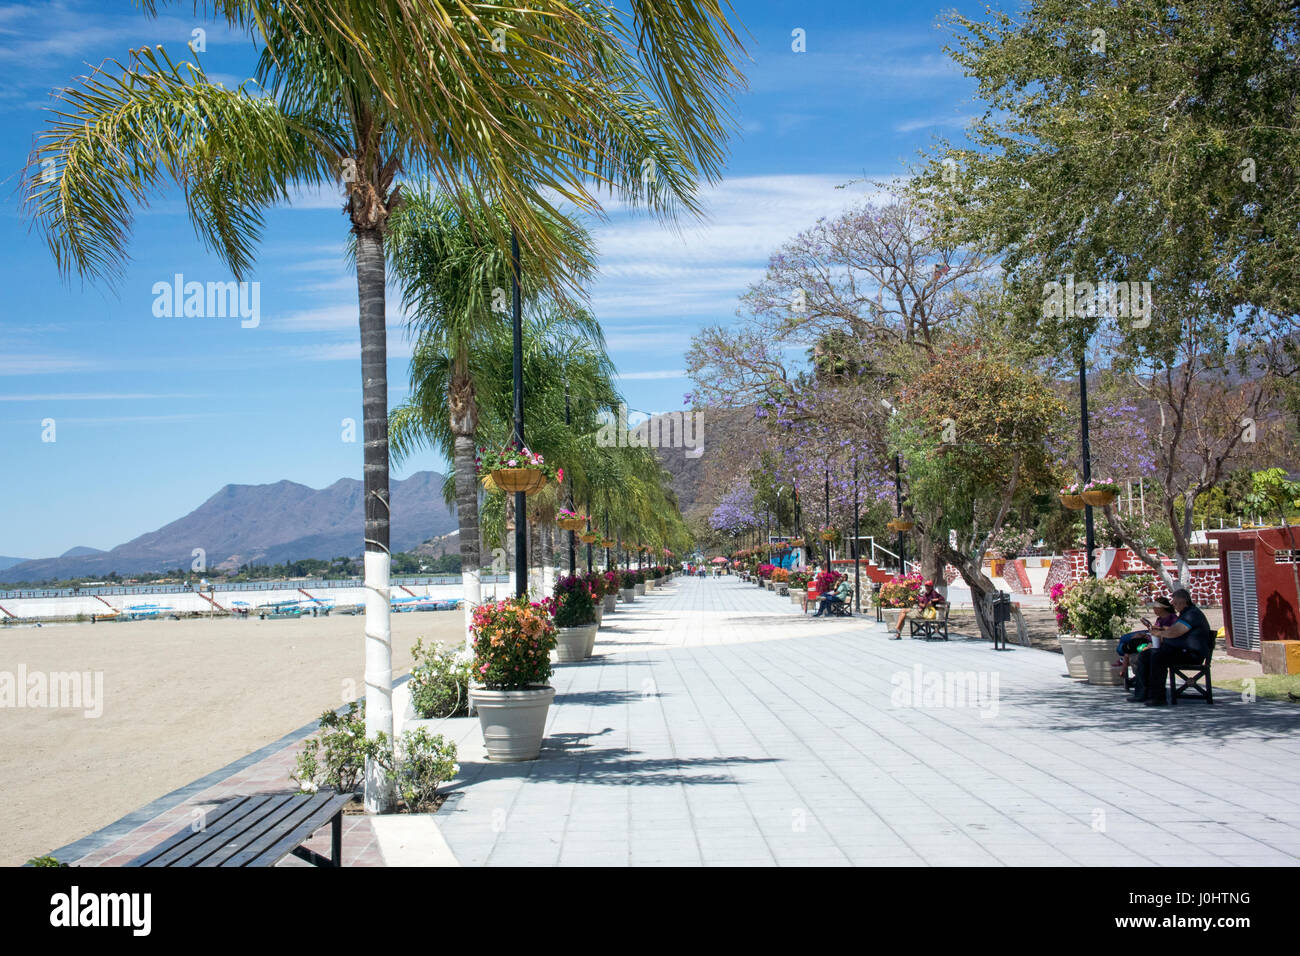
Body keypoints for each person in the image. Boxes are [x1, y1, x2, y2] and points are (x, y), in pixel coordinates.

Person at [1134, 588, 1213, 706]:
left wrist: (1160, 634)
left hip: (1191, 654)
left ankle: (1158, 697)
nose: (1173, 605)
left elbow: (1175, 632)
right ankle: (1142, 693)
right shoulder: (1185, 614)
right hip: (1180, 651)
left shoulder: (1192, 614)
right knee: (1146, 655)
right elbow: (1171, 631)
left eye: (1175, 603)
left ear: (1183, 601)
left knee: (1158, 656)